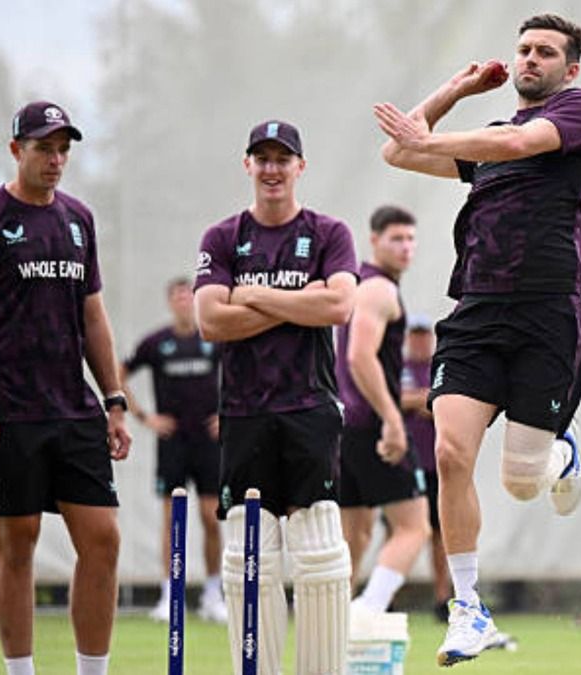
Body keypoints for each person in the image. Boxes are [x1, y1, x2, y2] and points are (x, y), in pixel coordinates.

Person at [374, 13, 581, 665]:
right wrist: (457, 87)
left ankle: (561, 453)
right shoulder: (492, 135)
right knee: (451, 452)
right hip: (477, 313)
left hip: (547, 315)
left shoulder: (576, 115)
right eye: (524, 50)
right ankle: (468, 608)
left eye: (545, 52)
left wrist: (443, 131)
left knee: (522, 482)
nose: (531, 59)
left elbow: (512, 147)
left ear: (570, 68)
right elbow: (399, 151)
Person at [0, 101, 132, 675]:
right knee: (17, 541)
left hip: (75, 410)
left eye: (64, 148)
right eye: (44, 147)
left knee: (103, 539)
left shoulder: (78, 220)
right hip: (8, 411)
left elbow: (92, 315)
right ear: (16, 149)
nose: (56, 158)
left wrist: (114, 400)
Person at [194, 119, 357, 675]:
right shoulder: (222, 237)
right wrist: (299, 298)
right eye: (261, 158)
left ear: (299, 167)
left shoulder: (329, 233)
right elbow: (212, 321)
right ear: (247, 166)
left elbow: (338, 308)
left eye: (282, 159)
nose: (271, 169)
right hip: (244, 409)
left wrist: (255, 294)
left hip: (310, 406)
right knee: (248, 553)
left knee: (318, 551)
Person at [336, 206, 431, 617]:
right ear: (374, 240)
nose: (406, 247)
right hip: (372, 424)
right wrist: (393, 420)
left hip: (344, 428)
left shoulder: (357, 286)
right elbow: (359, 357)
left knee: (354, 536)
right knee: (414, 528)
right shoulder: (378, 289)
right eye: (396, 238)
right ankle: (368, 611)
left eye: (411, 238)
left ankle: (332, 623)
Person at [119, 276, 227, 625]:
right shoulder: (156, 343)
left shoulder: (214, 339)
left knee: (212, 518)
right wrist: (143, 416)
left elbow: (244, 372)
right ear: (170, 302)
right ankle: (170, 595)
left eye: (189, 296)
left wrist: (229, 413)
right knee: (172, 520)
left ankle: (213, 594)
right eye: (178, 296)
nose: (184, 301)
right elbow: (118, 374)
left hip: (209, 443)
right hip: (173, 444)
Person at [398, 313, 451, 623]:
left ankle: (443, 597)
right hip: (405, 462)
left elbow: (445, 402)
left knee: (440, 533)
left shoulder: (440, 366)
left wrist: (418, 401)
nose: (419, 341)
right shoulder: (398, 367)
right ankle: (388, 597)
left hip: (434, 463)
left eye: (423, 335)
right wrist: (423, 400)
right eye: (415, 335)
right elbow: (392, 400)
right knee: (400, 529)